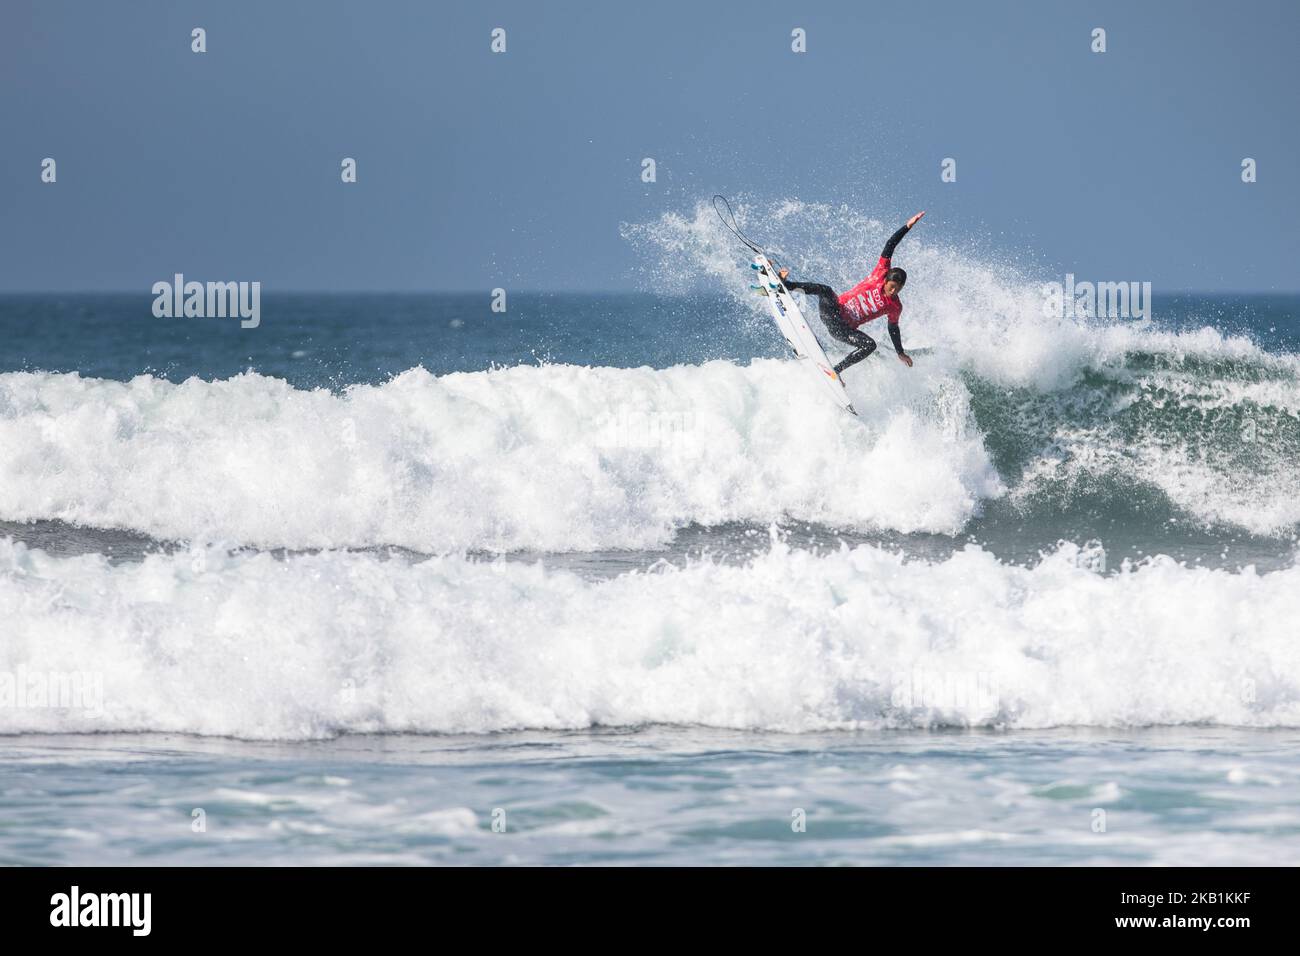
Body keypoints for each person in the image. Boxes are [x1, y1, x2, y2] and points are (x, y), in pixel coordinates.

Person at [778, 211, 925, 377]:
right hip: (832, 312)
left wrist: (900, 352)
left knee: (870, 345)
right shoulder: (880, 273)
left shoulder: (895, 306)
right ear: (886, 280)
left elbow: (893, 328)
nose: (893, 291)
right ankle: (786, 285)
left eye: (898, 289)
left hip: (843, 330)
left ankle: (835, 371)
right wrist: (907, 227)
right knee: (826, 290)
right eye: (892, 287)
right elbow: (890, 245)